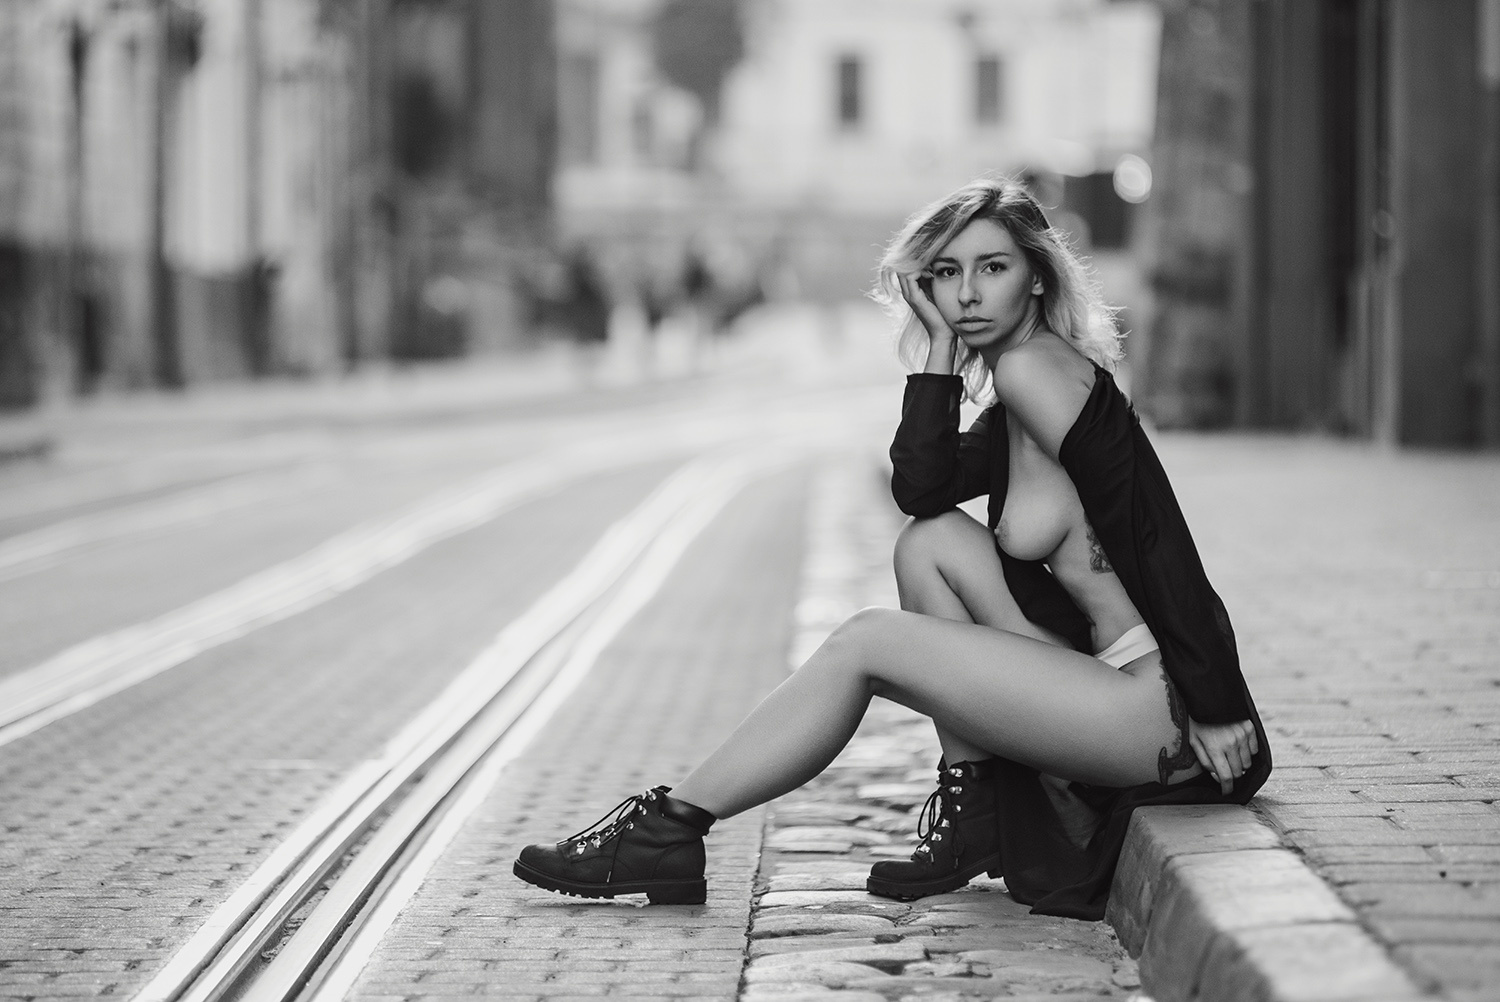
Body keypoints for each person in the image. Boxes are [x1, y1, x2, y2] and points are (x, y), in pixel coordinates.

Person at [512, 177, 1271, 920]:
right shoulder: (1017, 386)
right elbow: (922, 488)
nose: (967, 294)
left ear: (1037, 278)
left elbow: (1153, 526)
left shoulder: (1034, 371)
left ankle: (671, 827)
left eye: (992, 268)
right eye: (947, 274)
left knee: (867, 642)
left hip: (1157, 711)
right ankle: (975, 813)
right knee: (929, 542)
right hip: (1109, 674)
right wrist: (937, 350)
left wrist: (1216, 702)